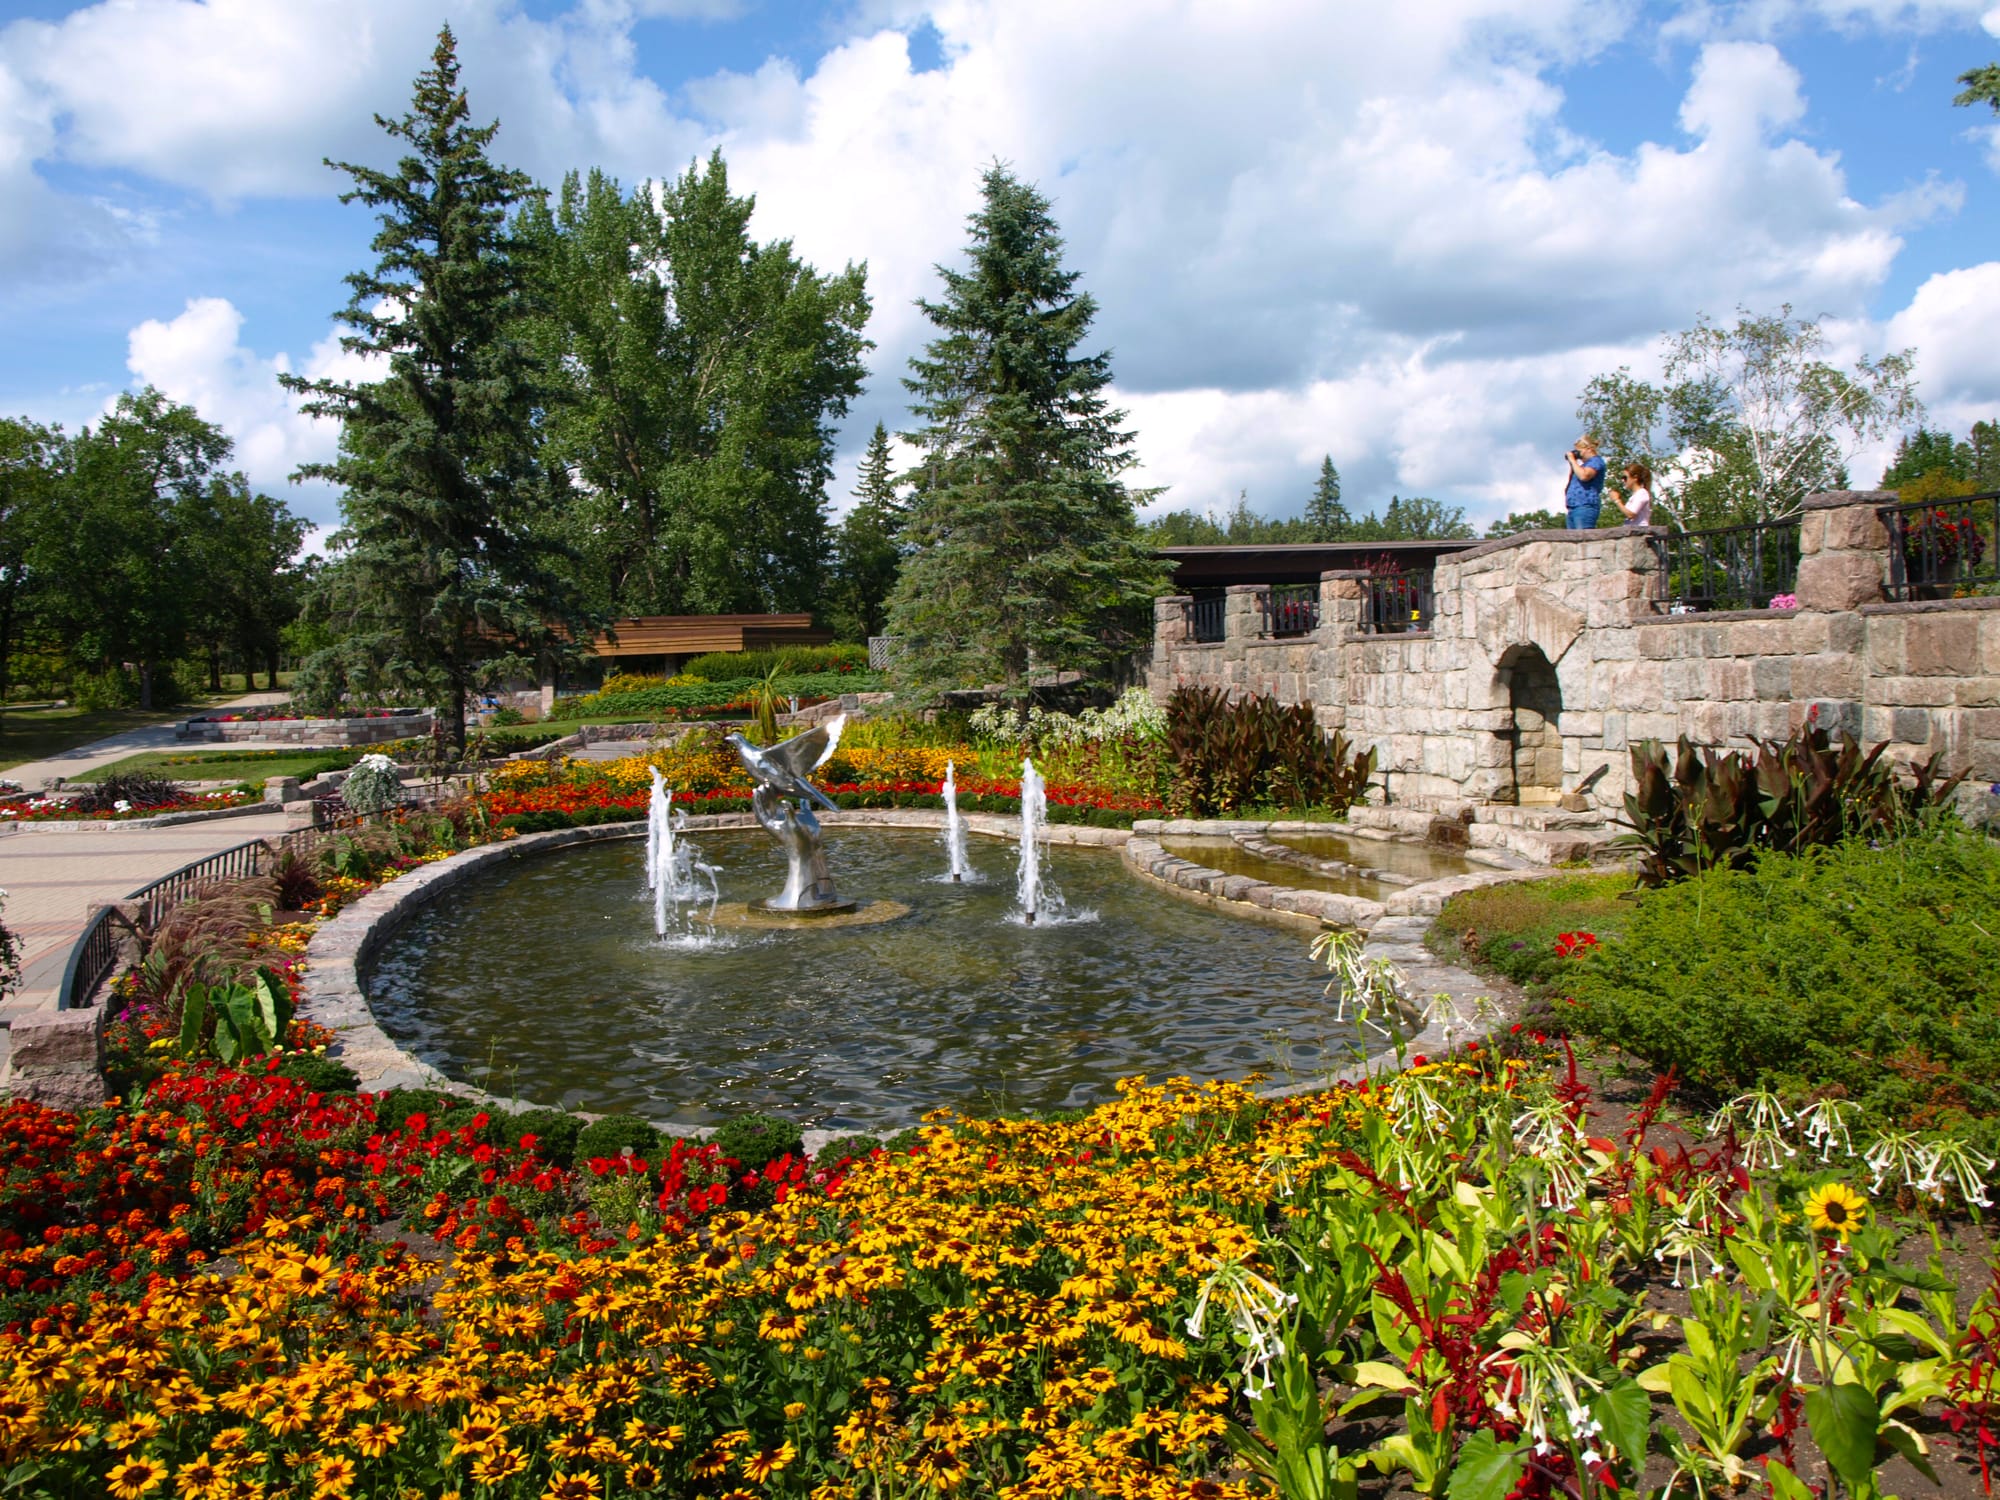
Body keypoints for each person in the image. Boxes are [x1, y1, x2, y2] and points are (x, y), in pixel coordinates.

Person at [1563, 436, 1606, 529]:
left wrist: (1573, 460)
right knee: (1572, 541)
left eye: (1579, 451)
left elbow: (1584, 476)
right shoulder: (1582, 466)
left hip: (1585, 506)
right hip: (1573, 507)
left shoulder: (1596, 461)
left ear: (1589, 449)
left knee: (1583, 540)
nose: (1578, 454)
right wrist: (1573, 464)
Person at [1617, 461, 1654, 526]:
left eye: (1625, 478)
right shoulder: (1636, 495)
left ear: (1635, 478)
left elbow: (1631, 514)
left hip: (1640, 531)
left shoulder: (1642, 493)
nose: (1623, 481)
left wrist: (1617, 501)